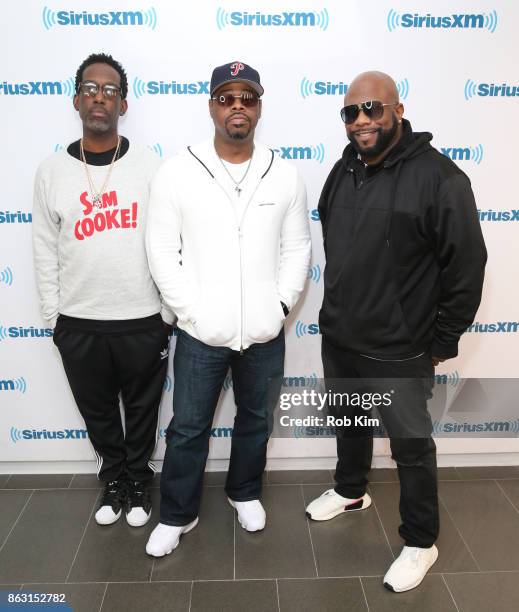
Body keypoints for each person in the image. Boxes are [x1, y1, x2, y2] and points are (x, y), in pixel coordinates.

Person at [305, 71, 486, 592]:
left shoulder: (440, 178)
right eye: (351, 112)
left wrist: (439, 342)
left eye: (373, 109)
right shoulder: (343, 170)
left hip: (401, 348)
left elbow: (467, 266)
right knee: (349, 424)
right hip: (340, 336)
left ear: (397, 111)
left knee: (410, 447)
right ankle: (350, 489)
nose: (361, 120)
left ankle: (420, 541)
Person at [145, 61, 311, 556]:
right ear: (212, 105)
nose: (237, 105)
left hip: (263, 331)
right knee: (188, 427)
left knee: (256, 420)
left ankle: (244, 493)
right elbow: (160, 250)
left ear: (259, 106)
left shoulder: (283, 173)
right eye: (226, 96)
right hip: (199, 332)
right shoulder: (177, 170)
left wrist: (278, 306)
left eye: (248, 96)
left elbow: (298, 248)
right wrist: (192, 314)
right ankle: (177, 514)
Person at [32, 53, 173, 528]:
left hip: (141, 318)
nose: (99, 97)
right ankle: (113, 479)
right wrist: (55, 318)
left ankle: (139, 479)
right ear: (76, 100)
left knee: (142, 412)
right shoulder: (51, 171)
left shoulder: (151, 167)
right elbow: (43, 248)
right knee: (99, 415)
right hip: (79, 322)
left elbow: (172, 243)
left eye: (110, 90)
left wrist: (166, 315)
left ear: (123, 104)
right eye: (90, 89)